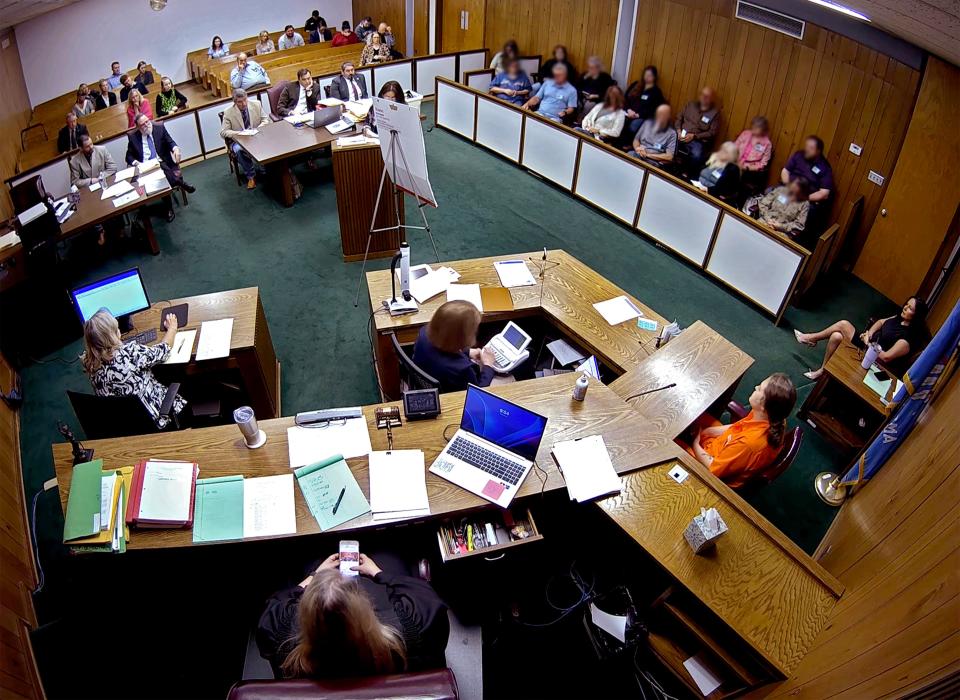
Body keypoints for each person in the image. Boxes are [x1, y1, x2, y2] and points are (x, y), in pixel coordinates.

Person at [256, 552, 449, 680]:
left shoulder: (281, 641)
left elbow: (278, 601)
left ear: (306, 614)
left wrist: (314, 575)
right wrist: (378, 573)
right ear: (364, 605)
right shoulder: (409, 633)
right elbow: (425, 595)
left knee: (309, 561)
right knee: (390, 557)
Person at [681, 373, 797, 488]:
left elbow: (713, 468)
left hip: (714, 471)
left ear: (763, 405)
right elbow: (739, 427)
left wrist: (695, 442)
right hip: (726, 445)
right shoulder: (772, 417)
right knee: (693, 412)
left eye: (759, 389)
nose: (756, 387)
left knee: (671, 442)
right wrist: (708, 432)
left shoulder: (748, 444)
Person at [82, 309, 187, 429]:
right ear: (113, 335)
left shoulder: (90, 364)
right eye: (116, 329)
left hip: (126, 424)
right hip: (155, 417)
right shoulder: (130, 353)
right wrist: (172, 328)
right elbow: (164, 350)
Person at [794, 297, 929, 380]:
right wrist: (869, 333)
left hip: (873, 359)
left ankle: (811, 338)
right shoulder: (898, 318)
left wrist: (868, 343)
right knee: (836, 336)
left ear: (916, 315)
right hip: (867, 344)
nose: (905, 308)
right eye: (907, 304)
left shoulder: (907, 338)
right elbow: (881, 322)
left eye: (910, 308)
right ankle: (822, 371)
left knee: (843, 325)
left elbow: (887, 357)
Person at [412, 300, 497, 392]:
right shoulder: (463, 370)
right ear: (463, 337)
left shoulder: (423, 333)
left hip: (431, 377)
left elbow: (444, 342)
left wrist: (468, 352)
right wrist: (488, 366)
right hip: (455, 396)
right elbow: (476, 393)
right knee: (510, 378)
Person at [126, 114, 196, 221]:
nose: (146, 125)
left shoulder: (159, 127)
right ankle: (180, 183)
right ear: (138, 127)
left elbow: (170, 142)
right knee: (162, 174)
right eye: (143, 124)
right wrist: (137, 163)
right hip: (144, 166)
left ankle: (169, 208)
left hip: (161, 161)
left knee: (162, 171)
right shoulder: (133, 137)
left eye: (147, 121)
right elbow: (128, 156)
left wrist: (176, 149)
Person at [781, 135, 833, 241]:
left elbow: (824, 193)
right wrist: (787, 186)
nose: (807, 150)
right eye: (807, 146)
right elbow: (785, 171)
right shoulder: (799, 155)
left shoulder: (824, 167)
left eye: (811, 148)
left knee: (807, 212)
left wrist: (804, 197)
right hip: (789, 190)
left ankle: (787, 234)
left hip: (806, 198)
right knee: (771, 193)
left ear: (818, 151)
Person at [221, 88, 269, 190]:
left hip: (256, 135)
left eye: (245, 100)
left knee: (268, 142)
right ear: (234, 102)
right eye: (240, 102)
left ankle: (265, 169)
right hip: (240, 140)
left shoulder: (256, 104)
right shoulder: (228, 112)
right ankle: (251, 176)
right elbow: (224, 132)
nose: (243, 104)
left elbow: (265, 119)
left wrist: (257, 128)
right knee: (239, 150)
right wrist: (240, 133)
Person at [676, 86, 721, 175]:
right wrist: (678, 130)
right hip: (680, 134)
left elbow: (712, 132)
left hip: (697, 140)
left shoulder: (715, 113)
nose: (704, 98)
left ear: (712, 99)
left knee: (697, 155)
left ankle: (687, 175)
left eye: (707, 96)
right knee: (668, 141)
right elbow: (678, 118)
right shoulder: (690, 105)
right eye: (703, 95)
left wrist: (694, 136)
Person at [744, 179, 810, 238]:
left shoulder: (804, 204)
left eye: (797, 186)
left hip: (782, 232)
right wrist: (768, 219)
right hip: (765, 221)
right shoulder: (780, 190)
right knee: (749, 235)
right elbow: (763, 204)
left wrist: (780, 226)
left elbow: (799, 224)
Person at [622, 65, 664, 145]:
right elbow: (625, 99)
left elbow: (654, 110)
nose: (647, 77)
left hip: (642, 117)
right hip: (628, 112)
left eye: (650, 75)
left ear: (654, 77)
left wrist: (638, 115)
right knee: (619, 118)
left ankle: (628, 144)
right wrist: (628, 110)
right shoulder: (636, 84)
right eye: (646, 75)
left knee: (633, 126)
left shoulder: (656, 92)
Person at [734, 116, 773, 197]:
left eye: (756, 127)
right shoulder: (746, 133)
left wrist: (749, 167)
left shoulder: (767, 143)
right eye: (753, 126)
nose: (753, 129)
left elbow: (763, 163)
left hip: (750, 169)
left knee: (740, 175)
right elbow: (735, 146)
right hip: (736, 160)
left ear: (762, 129)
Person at [577, 56, 615, 121]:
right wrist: (584, 78)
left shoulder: (605, 77)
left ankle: (583, 121)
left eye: (592, 68)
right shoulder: (585, 75)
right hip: (583, 96)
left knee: (588, 105)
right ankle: (577, 119)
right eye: (589, 67)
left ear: (598, 67)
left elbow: (608, 92)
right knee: (577, 102)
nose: (590, 69)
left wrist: (596, 96)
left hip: (596, 99)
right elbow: (577, 86)